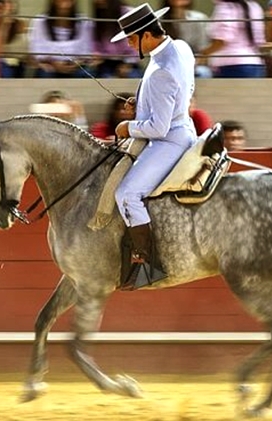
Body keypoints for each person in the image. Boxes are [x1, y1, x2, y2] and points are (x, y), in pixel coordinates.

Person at [111, 3, 197, 286]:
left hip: (169, 139)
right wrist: (146, 105)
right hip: (183, 126)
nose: (129, 45)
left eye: (132, 39)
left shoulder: (161, 69)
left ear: (147, 35)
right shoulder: (181, 47)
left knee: (126, 194)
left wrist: (128, 126)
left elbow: (158, 128)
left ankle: (149, 264)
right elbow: (185, 89)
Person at [28, 0, 95, 78]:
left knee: (87, 73)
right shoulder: (40, 21)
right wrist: (54, 63)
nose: (64, 5)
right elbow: (37, 50)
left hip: (76, 65)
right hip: (50, 65)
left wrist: (77, 63)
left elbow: (86, 50)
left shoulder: (84, 22)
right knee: (45, 73)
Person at [201, 0, 267, 78]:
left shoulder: (225, 8)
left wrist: (204, 53)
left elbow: (221, 40)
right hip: (254, 63)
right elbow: (259, 40)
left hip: (230, 65)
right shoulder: (254, 6)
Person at [161, 0, 213, 78]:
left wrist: (192, 64)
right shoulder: (160, 21)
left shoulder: (199, 19)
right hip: (169, 66)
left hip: (195, 65)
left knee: (203, 72)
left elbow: (204, 51)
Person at [91, 0, 143, 78]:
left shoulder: (129, 13)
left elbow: (138, 44)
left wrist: (128, 64)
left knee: (134, 76)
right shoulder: (98, 16)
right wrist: (97, 55)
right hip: (107, 62)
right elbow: (97, 44)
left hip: (129, 61)